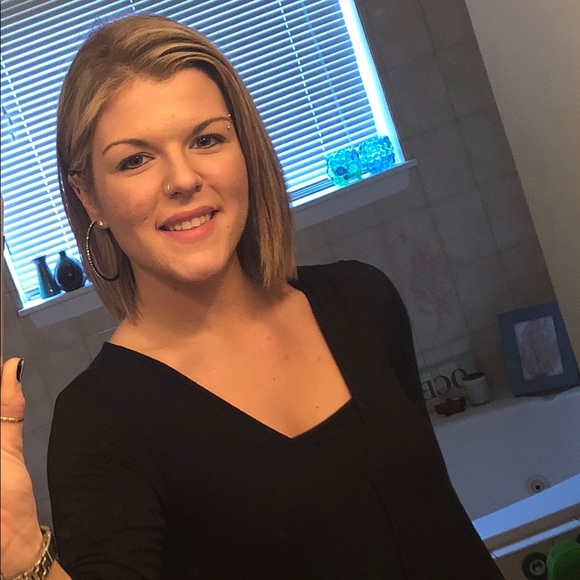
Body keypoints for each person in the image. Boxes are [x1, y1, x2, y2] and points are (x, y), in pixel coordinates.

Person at [0, 14, 504, 579]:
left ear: (246, 150)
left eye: (207, 139)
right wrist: (24, 561)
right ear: (89, 197)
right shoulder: (97, 425)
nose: (183, 179)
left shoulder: (363, 299)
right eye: (134, 159)